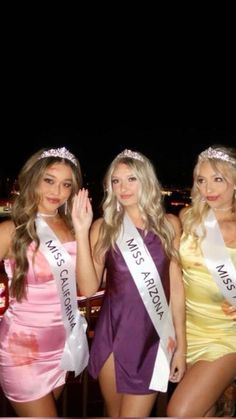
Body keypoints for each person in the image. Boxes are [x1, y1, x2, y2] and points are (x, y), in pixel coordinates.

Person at [72, 149, 186, 417]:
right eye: (116, 180)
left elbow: (177, 289)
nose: (122, 187)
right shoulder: (105, 227)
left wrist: (181, 346)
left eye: (131, 179)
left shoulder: (170, 225)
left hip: (152, 337)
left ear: (146, 181)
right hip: (112, 334)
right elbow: (88, 289)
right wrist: (80, 230)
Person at [0, 147, 89, 417]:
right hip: (22, 351)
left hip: (61, 348)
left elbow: (85, 288)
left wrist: (83, 231)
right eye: (49, 180)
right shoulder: (11, 228)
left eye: (66, 185)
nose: (56, 192)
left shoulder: (73, 226)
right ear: (33, 179)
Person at [167, 145, 236, 417]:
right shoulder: (188, 217)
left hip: (225, 337)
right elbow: (175, 279)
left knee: (180, 412)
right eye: (201, 180)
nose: (209, 188)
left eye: (218, 178)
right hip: (187, 332)